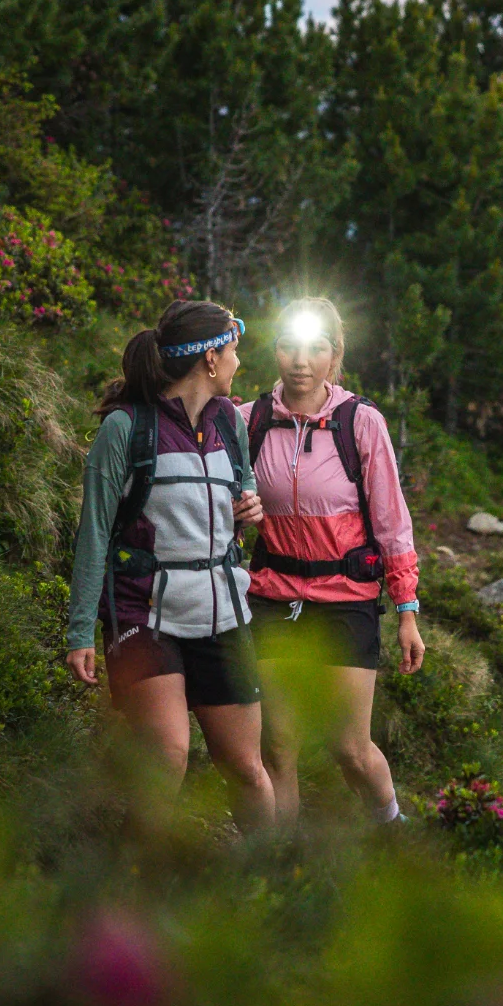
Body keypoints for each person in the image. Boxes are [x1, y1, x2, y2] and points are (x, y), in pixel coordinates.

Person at [64, 299, 275, 830]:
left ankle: (271, 885)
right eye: (233, 350)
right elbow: (93, 534)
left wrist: (249, 503)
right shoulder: (125, 428)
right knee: (166, 758)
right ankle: (145, 887)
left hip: (221, 613)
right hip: (143, 612)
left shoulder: (230, 420)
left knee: (247, 768)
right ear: (208, 359)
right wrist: (79, 631)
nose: (238, 363)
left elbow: (243, 484)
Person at [246, 298, 424, 824]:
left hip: (347, 599)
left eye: (315, 348)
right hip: (273, 595)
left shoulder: (361, 423)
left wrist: (407, 610)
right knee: (278, 746)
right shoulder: (248, 421)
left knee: (349, 748)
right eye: (289, 346)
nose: (300, 360)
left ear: (334, 355)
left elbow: (393, 523)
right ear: (275, 350)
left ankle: (391, 823)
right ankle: (283, 871)